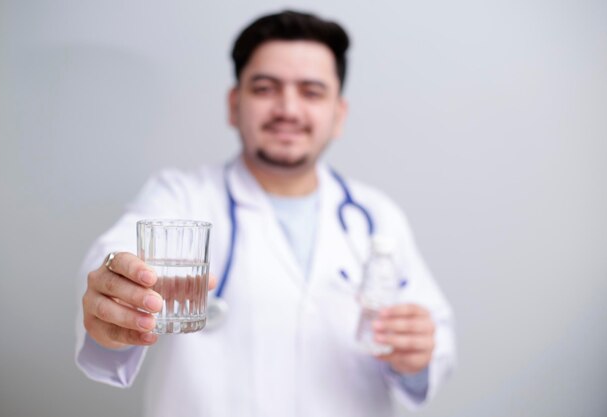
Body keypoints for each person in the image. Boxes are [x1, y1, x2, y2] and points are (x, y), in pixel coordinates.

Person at [76, 10, 456, 417]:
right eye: (265, 88)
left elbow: (437, 343)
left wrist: (416, 356)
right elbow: (112, 261)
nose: (288, 109)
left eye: (311, 92)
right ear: (234, 104)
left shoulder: (378, 217)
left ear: (338, 115)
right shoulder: (180, 197)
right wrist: (113, 301)